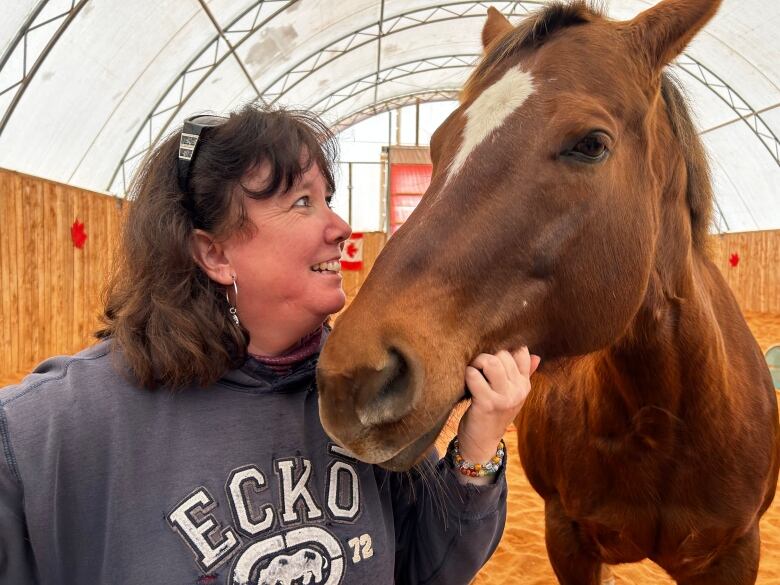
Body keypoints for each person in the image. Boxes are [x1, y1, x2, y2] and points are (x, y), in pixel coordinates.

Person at [0, 104, 540, 584]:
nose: (341, 226)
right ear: (214, 254)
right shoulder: (51, 432)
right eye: (302, 202)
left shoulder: (357, 394)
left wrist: (479, 441)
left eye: (328, 198)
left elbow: (428, 569)